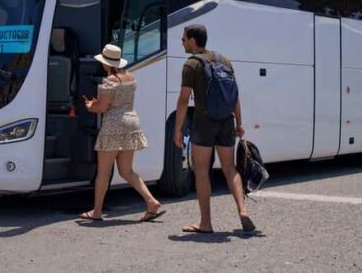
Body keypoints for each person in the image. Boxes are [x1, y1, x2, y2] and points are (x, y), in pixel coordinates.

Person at [174, 24, 255, 233]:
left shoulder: (191, 64)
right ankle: (243, 210)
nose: (182, 42)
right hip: (226, 121)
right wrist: (239, 123)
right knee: (230, 169)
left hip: (203, 122)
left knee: (201, 171)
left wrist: (178, 129)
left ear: (193, 39)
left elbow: (183, 101)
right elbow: (234, 95)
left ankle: (206, 223)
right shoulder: (224, 60)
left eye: (183, 38)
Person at [79, 44, 166, 222]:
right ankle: (151, 201)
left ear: (106, 63)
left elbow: (103, 107)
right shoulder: (130, 77)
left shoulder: (109, 81)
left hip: (114, 124)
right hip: (131, 121)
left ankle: (96, 212)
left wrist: (90, 106)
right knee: (127, 171)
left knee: (103, 172)